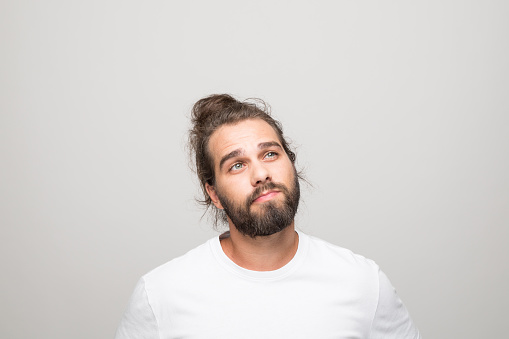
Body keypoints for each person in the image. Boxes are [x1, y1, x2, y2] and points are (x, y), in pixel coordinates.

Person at [115, 94, 421, 339]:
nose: (261, 174)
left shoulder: (363, 283)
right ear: (215, 194)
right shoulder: (160, 295)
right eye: (236, 165)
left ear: (291, 163)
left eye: (270, 154)